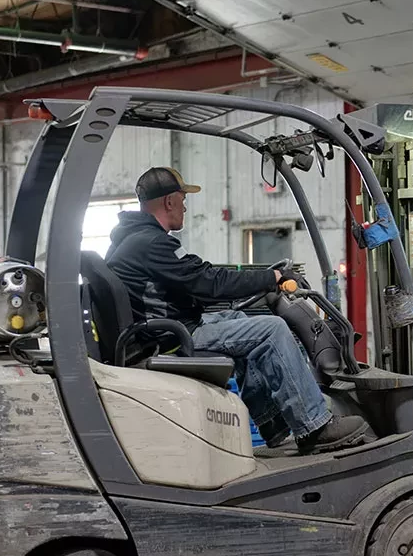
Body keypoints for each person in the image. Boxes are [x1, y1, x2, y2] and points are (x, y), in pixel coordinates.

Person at [104, 166, 373, 455]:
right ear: (169, 201)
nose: (185, 206)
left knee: (238, 318)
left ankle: (272, 421)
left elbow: (190, 282)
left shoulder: (132, 239)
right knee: (271, 329)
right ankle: (314, 426)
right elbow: (206, 282)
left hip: (163, 329)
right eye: (183, 198)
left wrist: (251, 282)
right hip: (169, 339)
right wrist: (270, 278)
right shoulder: (151, 243)